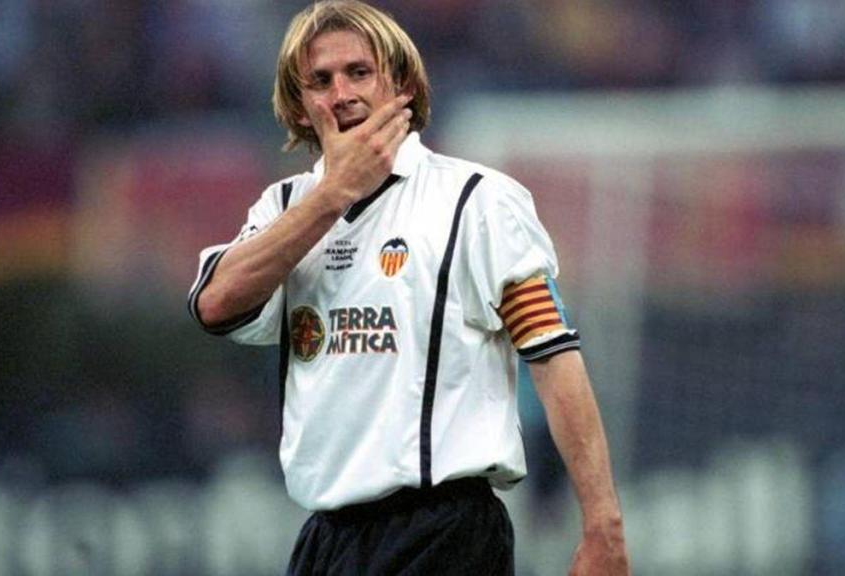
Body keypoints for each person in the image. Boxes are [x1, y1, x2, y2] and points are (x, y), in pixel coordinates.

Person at [189, 1, 629, 574]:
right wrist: (332, 194)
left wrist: (603, 526)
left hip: (443, 531)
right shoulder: (284, 209)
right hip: (327, 540)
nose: (341, 93)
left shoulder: (477, 202)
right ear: (299, 105)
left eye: (359, 72)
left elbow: (553, 356)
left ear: (401, 84)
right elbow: (214, 304)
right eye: (320, 80)